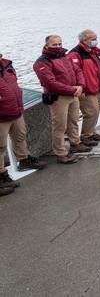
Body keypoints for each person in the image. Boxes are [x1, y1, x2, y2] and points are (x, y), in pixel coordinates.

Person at [33, 35, 88, 163]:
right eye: (54, 45)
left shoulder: (65, 57)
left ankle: (75, 143)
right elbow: (50, 83)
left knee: (73, 120)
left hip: (73, 93)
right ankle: (61, 153)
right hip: (59, 98)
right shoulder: (41, 62)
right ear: (46, 46)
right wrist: (73, 89)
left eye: (59, 44)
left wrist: (81, 85)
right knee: (59, 126)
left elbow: (78, 70)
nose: (58, 47)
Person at [0, 52, 46, 196]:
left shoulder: (7, 65)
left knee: (20, 136)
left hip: (16, 111)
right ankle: (1, 176)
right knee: (0, 146)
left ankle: (24, 160)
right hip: (1, 116)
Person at [68, 29, 100, 146]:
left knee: (96, 111)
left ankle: (91, 132)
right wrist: (82, 89)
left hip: (95, 87)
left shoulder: (91, 51)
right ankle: (86, 136)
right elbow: (74, 73)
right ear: (84, 40)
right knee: (91, 112)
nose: (96, 41)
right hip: (87, 90)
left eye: (96, 38)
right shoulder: (75, 54)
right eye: (93, 39)